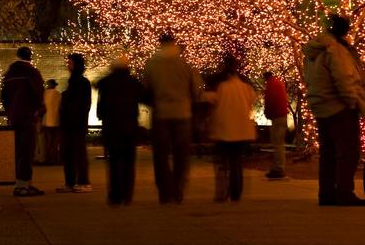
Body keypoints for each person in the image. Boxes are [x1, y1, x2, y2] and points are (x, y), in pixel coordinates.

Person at [303, 14, 365, 206]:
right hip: (338, 106)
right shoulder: (336, 50)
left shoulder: (315, 50)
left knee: (328, 152)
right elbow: (344, 77)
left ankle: (326, 193)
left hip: (321, 104)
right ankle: (344, 192)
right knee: (347, 151)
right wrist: (351, 101)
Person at [142, 34, 203, 204]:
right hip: (183, 113)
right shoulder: (185, 65)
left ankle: (165, 190)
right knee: (181, 154)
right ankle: (178, 188)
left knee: (160, 156)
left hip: (161, 113)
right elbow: (196, 90)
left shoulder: (152, 64)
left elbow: (145, 88)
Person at [203, 54, 257, 202]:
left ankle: (222, 192)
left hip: (223, 130)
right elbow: (253, 99)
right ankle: (236, 192)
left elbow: (207, 99)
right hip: (242, 131)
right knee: (237, 162)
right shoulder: (246, 87)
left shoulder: (219, 85)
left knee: (222, 162)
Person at [96, 55, 142, 205]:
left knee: (114, 162)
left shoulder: (106, 83)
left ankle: (115, 195)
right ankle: (127, 195)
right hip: (129, 127)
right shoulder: (133, 83)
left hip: (112, 127)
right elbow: (143, 97)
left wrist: (101, 116)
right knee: (129, 163)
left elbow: (101, 107)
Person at [0, 46, 45, 197]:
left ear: (17, 56)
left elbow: (4, 97)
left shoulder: (9, 74)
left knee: (19, 151)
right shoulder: (32, 73)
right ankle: (23, 185)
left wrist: (9, 112)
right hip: (28, 117)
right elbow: (38, 94)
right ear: (30, 57)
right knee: (27, 151)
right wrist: (39, 110)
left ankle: (22, 183)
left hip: (14, 118)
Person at [57, 53, 92, 193]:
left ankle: (83, 182)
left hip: (76, 124)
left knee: (78, 154)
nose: (68, 65)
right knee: (69, 154)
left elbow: (82, 105)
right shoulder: (74, 81)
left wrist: (65, 101)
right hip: (69, 124)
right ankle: (70, 182)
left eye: (70, 62)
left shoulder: (81, 82)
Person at [262, 71, 289, 179]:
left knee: (277, 143)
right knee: (279, 143)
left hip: (277, 116)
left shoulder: (271, 85)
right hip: (282, 115)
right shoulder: (278, 83)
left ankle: (279, 169)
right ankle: (278, 167)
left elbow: (269, 100)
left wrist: (267, 113)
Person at [42, 79, 62, 165]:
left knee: (47, 141)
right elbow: (61, 107)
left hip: (46, 120)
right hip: (56, 120)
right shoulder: (58, 94)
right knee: (55, 141)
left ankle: (48, 159)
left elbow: (42, 106)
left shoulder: (44, 94)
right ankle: (54, 158)